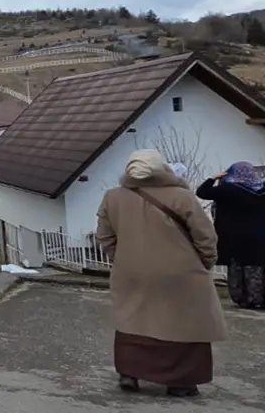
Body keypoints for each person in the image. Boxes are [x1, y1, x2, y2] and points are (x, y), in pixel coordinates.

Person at [95, 149, 227, 397]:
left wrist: (121, 259)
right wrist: (206, 262)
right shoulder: (182, 197)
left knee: (133, 320)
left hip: (131, 271)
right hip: (181, 273)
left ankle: (129, 374)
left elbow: (104, 236)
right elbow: (205, 236)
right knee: (184, 324)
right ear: (162, 169)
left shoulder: (112, 197)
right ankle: (181, 382)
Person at [196, 162, 265, 309]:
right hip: (259, 238)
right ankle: (258, 298)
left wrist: (212, 178)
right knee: (255, 268)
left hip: (233, 238)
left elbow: (202, 192)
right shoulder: (261, 190)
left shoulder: (227, 189)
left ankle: (242, 299)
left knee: (236, 269)